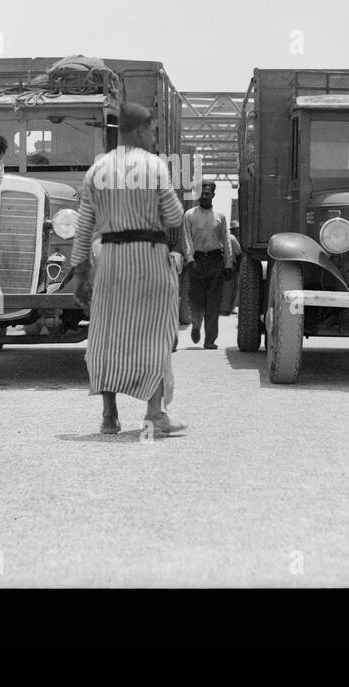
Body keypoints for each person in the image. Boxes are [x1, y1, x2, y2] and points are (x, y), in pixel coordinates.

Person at [67, 102, 186, 436]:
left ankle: (109, 416)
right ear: (139, 129)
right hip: (149, 258)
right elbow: (175, 216)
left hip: (109, 260)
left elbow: (84, 225)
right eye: (152, 130)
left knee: (107, 335)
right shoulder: (155, 166)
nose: (154, 136)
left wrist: (79, 273)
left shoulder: (97, 170)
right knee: (156, 334)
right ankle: (154, 414)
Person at [182, 180, 234, 349]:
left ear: (213, 195)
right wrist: (190, 260)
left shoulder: (220, 216)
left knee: (213, 302)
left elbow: (226, 240)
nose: (204, 197)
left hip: (215, 261)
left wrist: (228, 263)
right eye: (201, 193)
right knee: (197, 300)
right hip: (197, 261)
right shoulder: (189, 215)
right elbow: (187, 239)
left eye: (207, 193)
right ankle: (196, 325)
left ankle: (210, 340)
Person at [219, 220, 243, 316]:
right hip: (230, 265)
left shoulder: (221, 237)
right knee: (230, 288)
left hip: (220, 265)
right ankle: (226, 309)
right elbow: (238, 253)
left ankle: (224, 308)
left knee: (223, 287)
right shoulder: (232, 238)